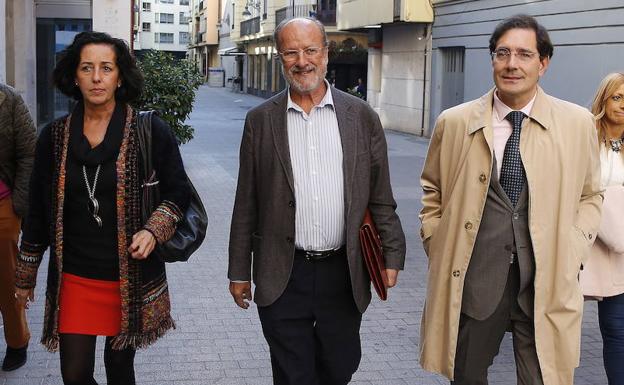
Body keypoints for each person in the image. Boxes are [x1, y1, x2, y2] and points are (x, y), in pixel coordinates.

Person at [418, 14, 602, 385]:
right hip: (476, 276)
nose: (512, 64)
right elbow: (432, 189)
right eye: (502, 53)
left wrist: (574, 246)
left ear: (543, 63)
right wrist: (435, 239)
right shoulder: (454, 122)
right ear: (492, 60)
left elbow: (590, 193)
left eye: (523, 54)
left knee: (543, 377)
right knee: (466, 374)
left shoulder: (577, 123)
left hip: (546, 279)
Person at [228, 17, 406, 385]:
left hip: (343, 271)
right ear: (280, 58)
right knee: (293, 373)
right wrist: (238, 271)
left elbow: (381, 196)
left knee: (339, 366)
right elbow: (246, 201)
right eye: (291, 52)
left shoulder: (361, 117)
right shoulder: (260, 121)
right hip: (281, 270)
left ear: (326, 53)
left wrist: (392, 253)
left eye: (310, 50)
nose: (302, 61)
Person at [14, 31, 190, 385]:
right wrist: (26, 274)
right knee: (75, 375)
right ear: (74, 76)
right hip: (75, 277)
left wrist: (153, 230)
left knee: (120, 371)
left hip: (127, 277)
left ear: (120, 76)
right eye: (87, 68)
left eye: (106, 68)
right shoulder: (55, 136)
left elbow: (178, 193)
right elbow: (37, 210)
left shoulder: (149, 130)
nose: (97, 78)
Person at [580, 72, 624, 385]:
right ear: (604, 99)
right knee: (612, 328)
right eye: (617, 97)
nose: (622, 106)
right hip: (589, 243)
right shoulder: (584, 137)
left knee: (617, 326)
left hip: (622, 249)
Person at [0, 83, 36, 371]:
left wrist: (19, 203)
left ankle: (17, 340)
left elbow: (28, 152)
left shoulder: (8, 99)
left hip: (3, 206)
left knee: (7, 279)